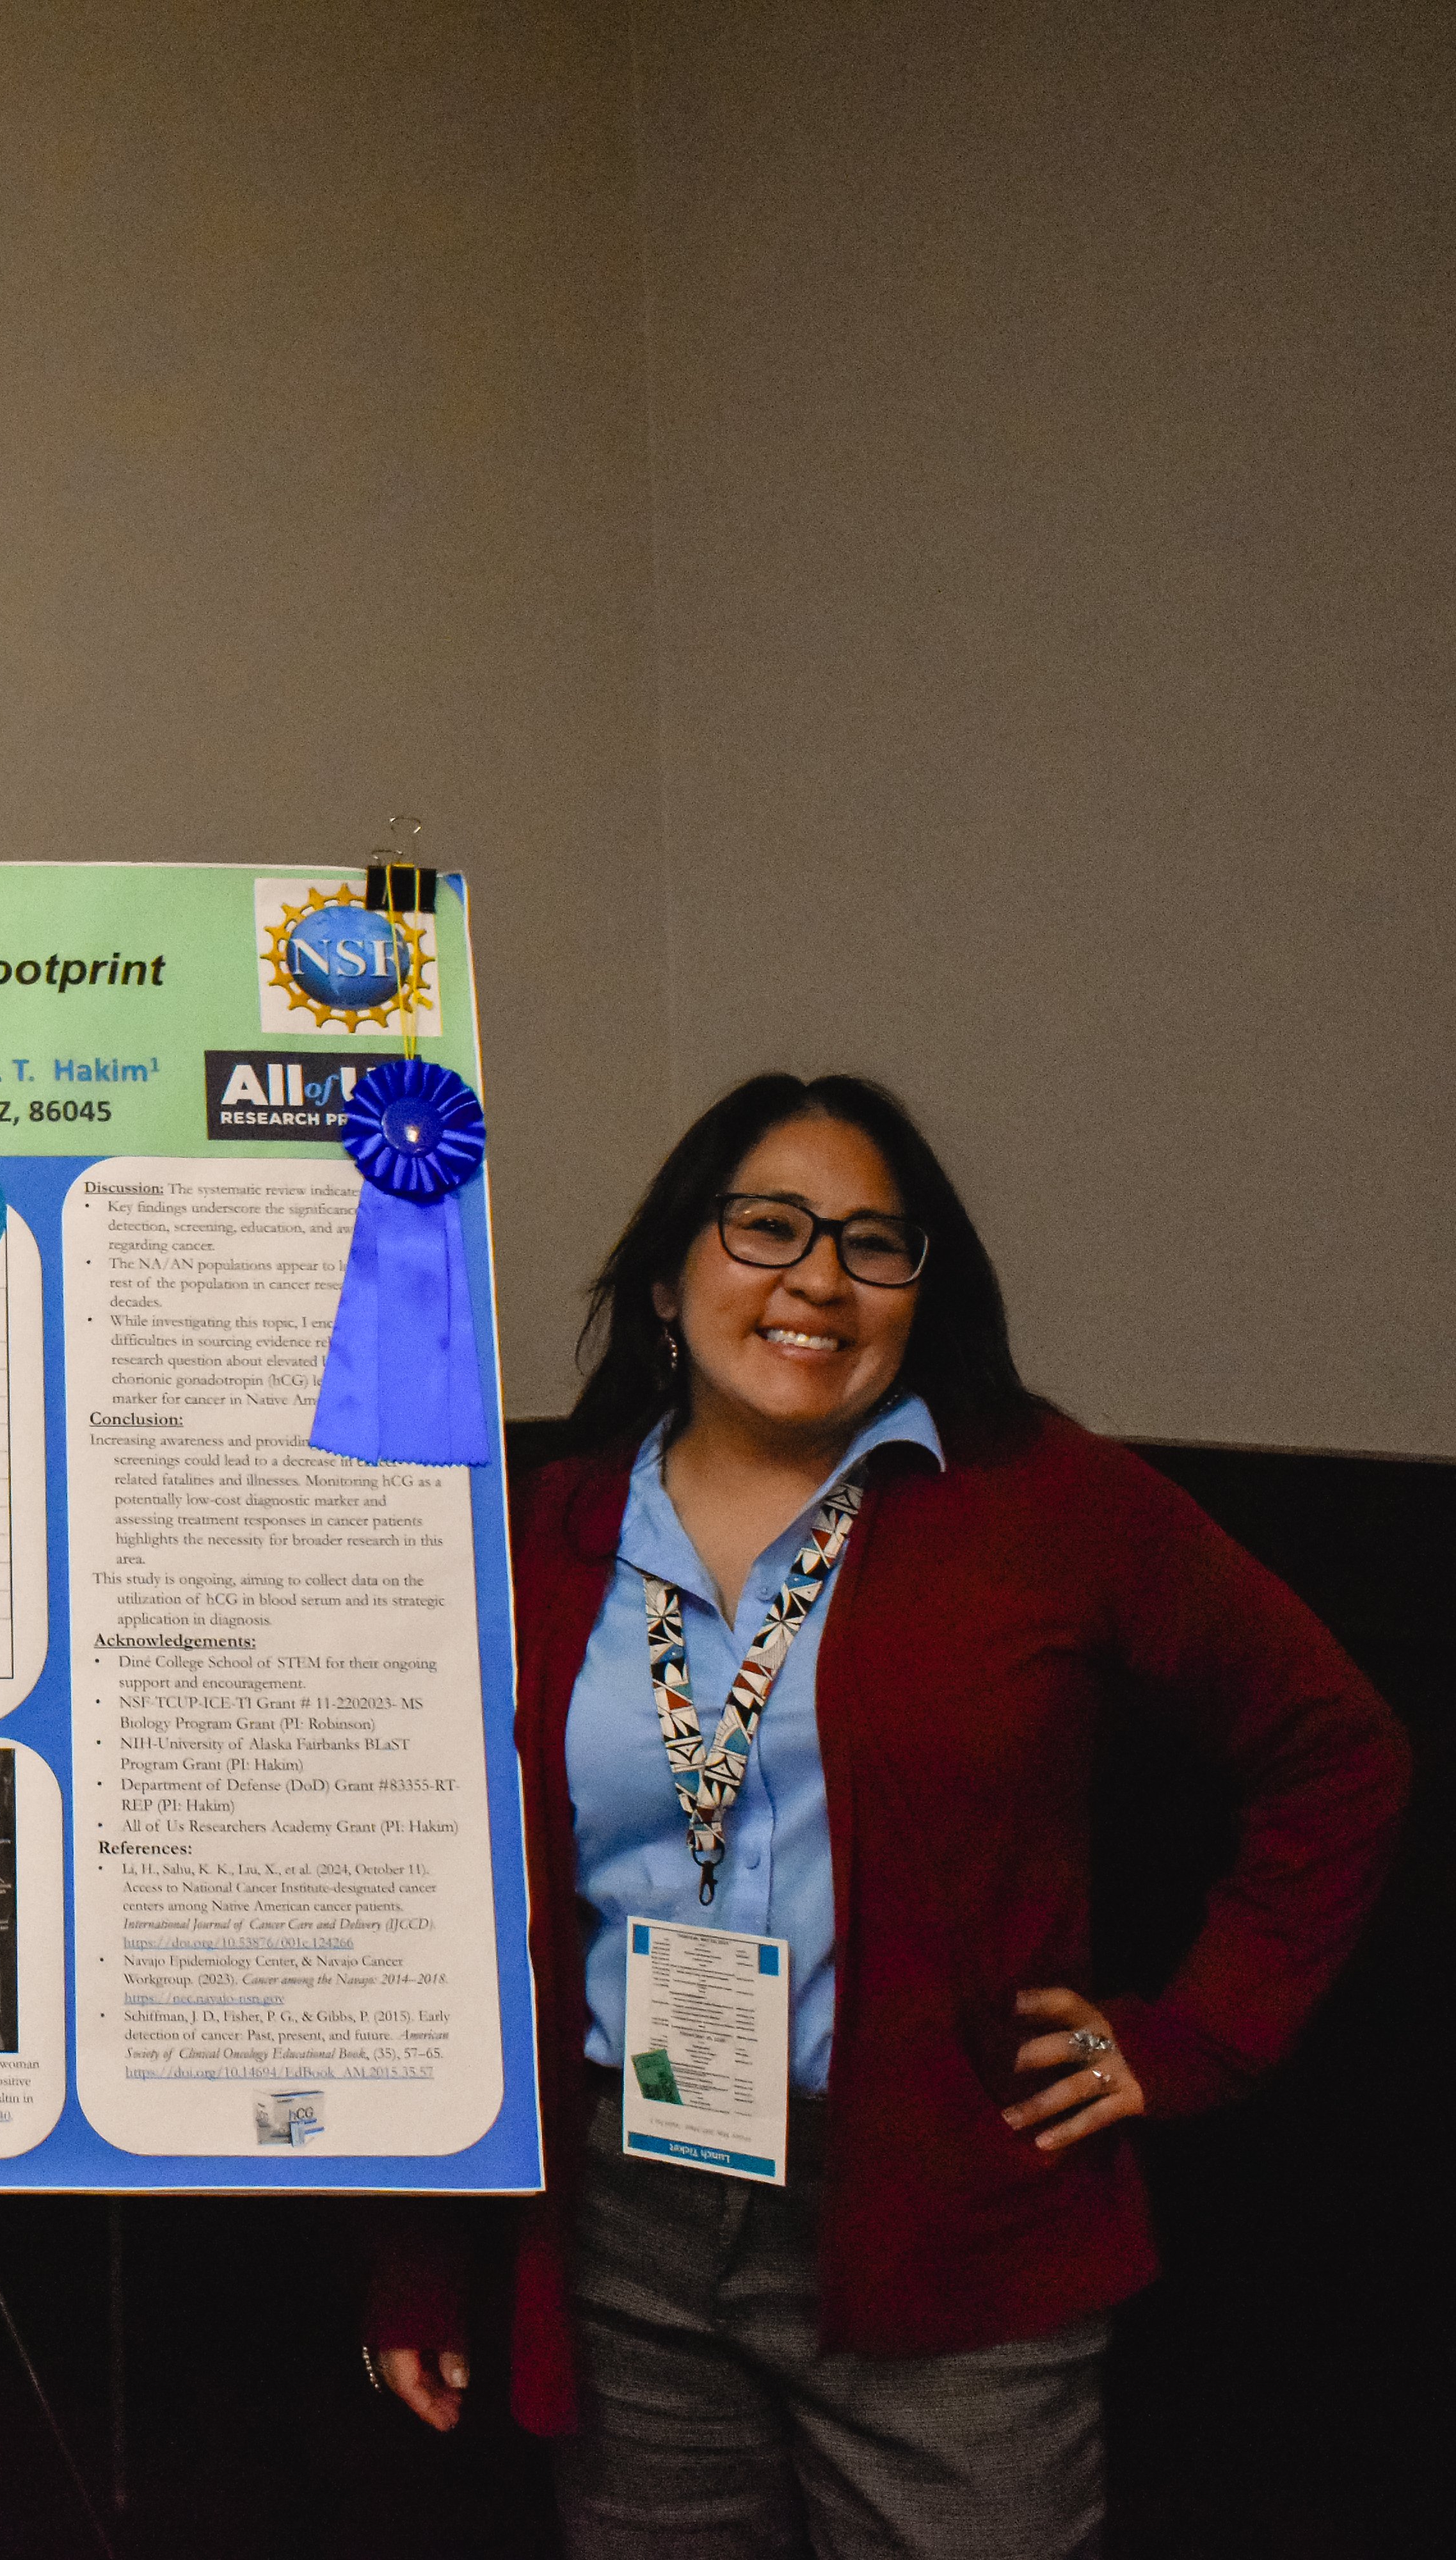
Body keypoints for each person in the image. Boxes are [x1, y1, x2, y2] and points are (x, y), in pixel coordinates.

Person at [362, 1072, 1407, 2559]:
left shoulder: (1046, 1504)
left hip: (947, 2223)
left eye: (873, 1242)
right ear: (669, 1275)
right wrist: (417, 2243)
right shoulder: (546, 1528)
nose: (819, 1278)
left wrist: (1195, 2029)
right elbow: (441, 1895)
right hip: (621, 2226)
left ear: (921, 1290)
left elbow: (1336, 1747)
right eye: (767, 1226)